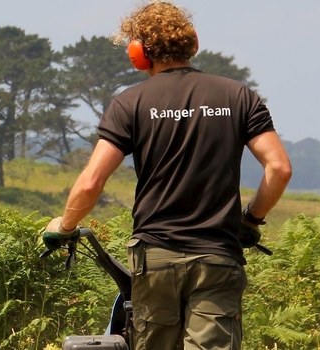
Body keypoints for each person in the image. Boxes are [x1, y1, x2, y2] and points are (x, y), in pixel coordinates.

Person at [42, 1, 292, 349]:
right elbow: (279, 168)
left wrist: (65, 227)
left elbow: (90, 182)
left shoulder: (129, 103)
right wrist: (250, 220)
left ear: (139, 53)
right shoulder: (239, 96)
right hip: (217, 256)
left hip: (155, 257)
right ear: (193, 44)